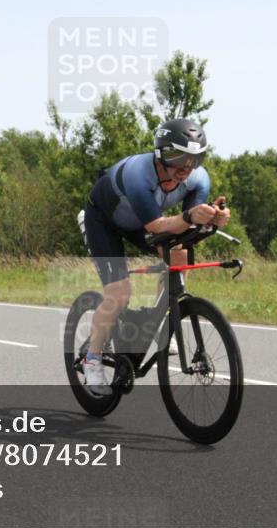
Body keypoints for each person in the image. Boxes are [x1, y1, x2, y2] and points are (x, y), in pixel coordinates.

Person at [78, 119, 230, 395]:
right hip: (105, 220)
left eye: (194, 159)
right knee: (119, 293)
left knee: (180, 254)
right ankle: (93, 358)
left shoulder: (198, 179)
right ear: (161, 153)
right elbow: (157, 226)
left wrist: (213, 219)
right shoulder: (139, 174)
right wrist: (188, 216)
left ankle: (166, 321)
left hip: (143, 221)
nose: (186, 168)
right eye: (178, 157)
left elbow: (189, 226)